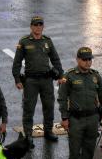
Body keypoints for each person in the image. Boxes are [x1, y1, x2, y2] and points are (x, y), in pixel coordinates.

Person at [12, 16, 64, 147]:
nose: (38, 27)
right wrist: (17, 79)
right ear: (31, 27)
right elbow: (17, 62)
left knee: (49, 106)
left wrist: (60, 76)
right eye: (35, 25)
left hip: (46, 80)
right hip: (31, 81)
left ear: (43, 27)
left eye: (40, 25)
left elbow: (55, 59)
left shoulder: (47, 41)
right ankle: (28, 135)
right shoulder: (24, 42)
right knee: (29, 108)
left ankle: (48, 131)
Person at [57, 47, 102, 159]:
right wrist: (64, 118)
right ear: (78, 59)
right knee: (74, 154)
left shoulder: (95, 76)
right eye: (85, 59)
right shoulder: (69, 76)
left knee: (89, 152)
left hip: (93, 119)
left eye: (89, 59)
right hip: (76, 120)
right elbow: (62, 98)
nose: (88, 62)